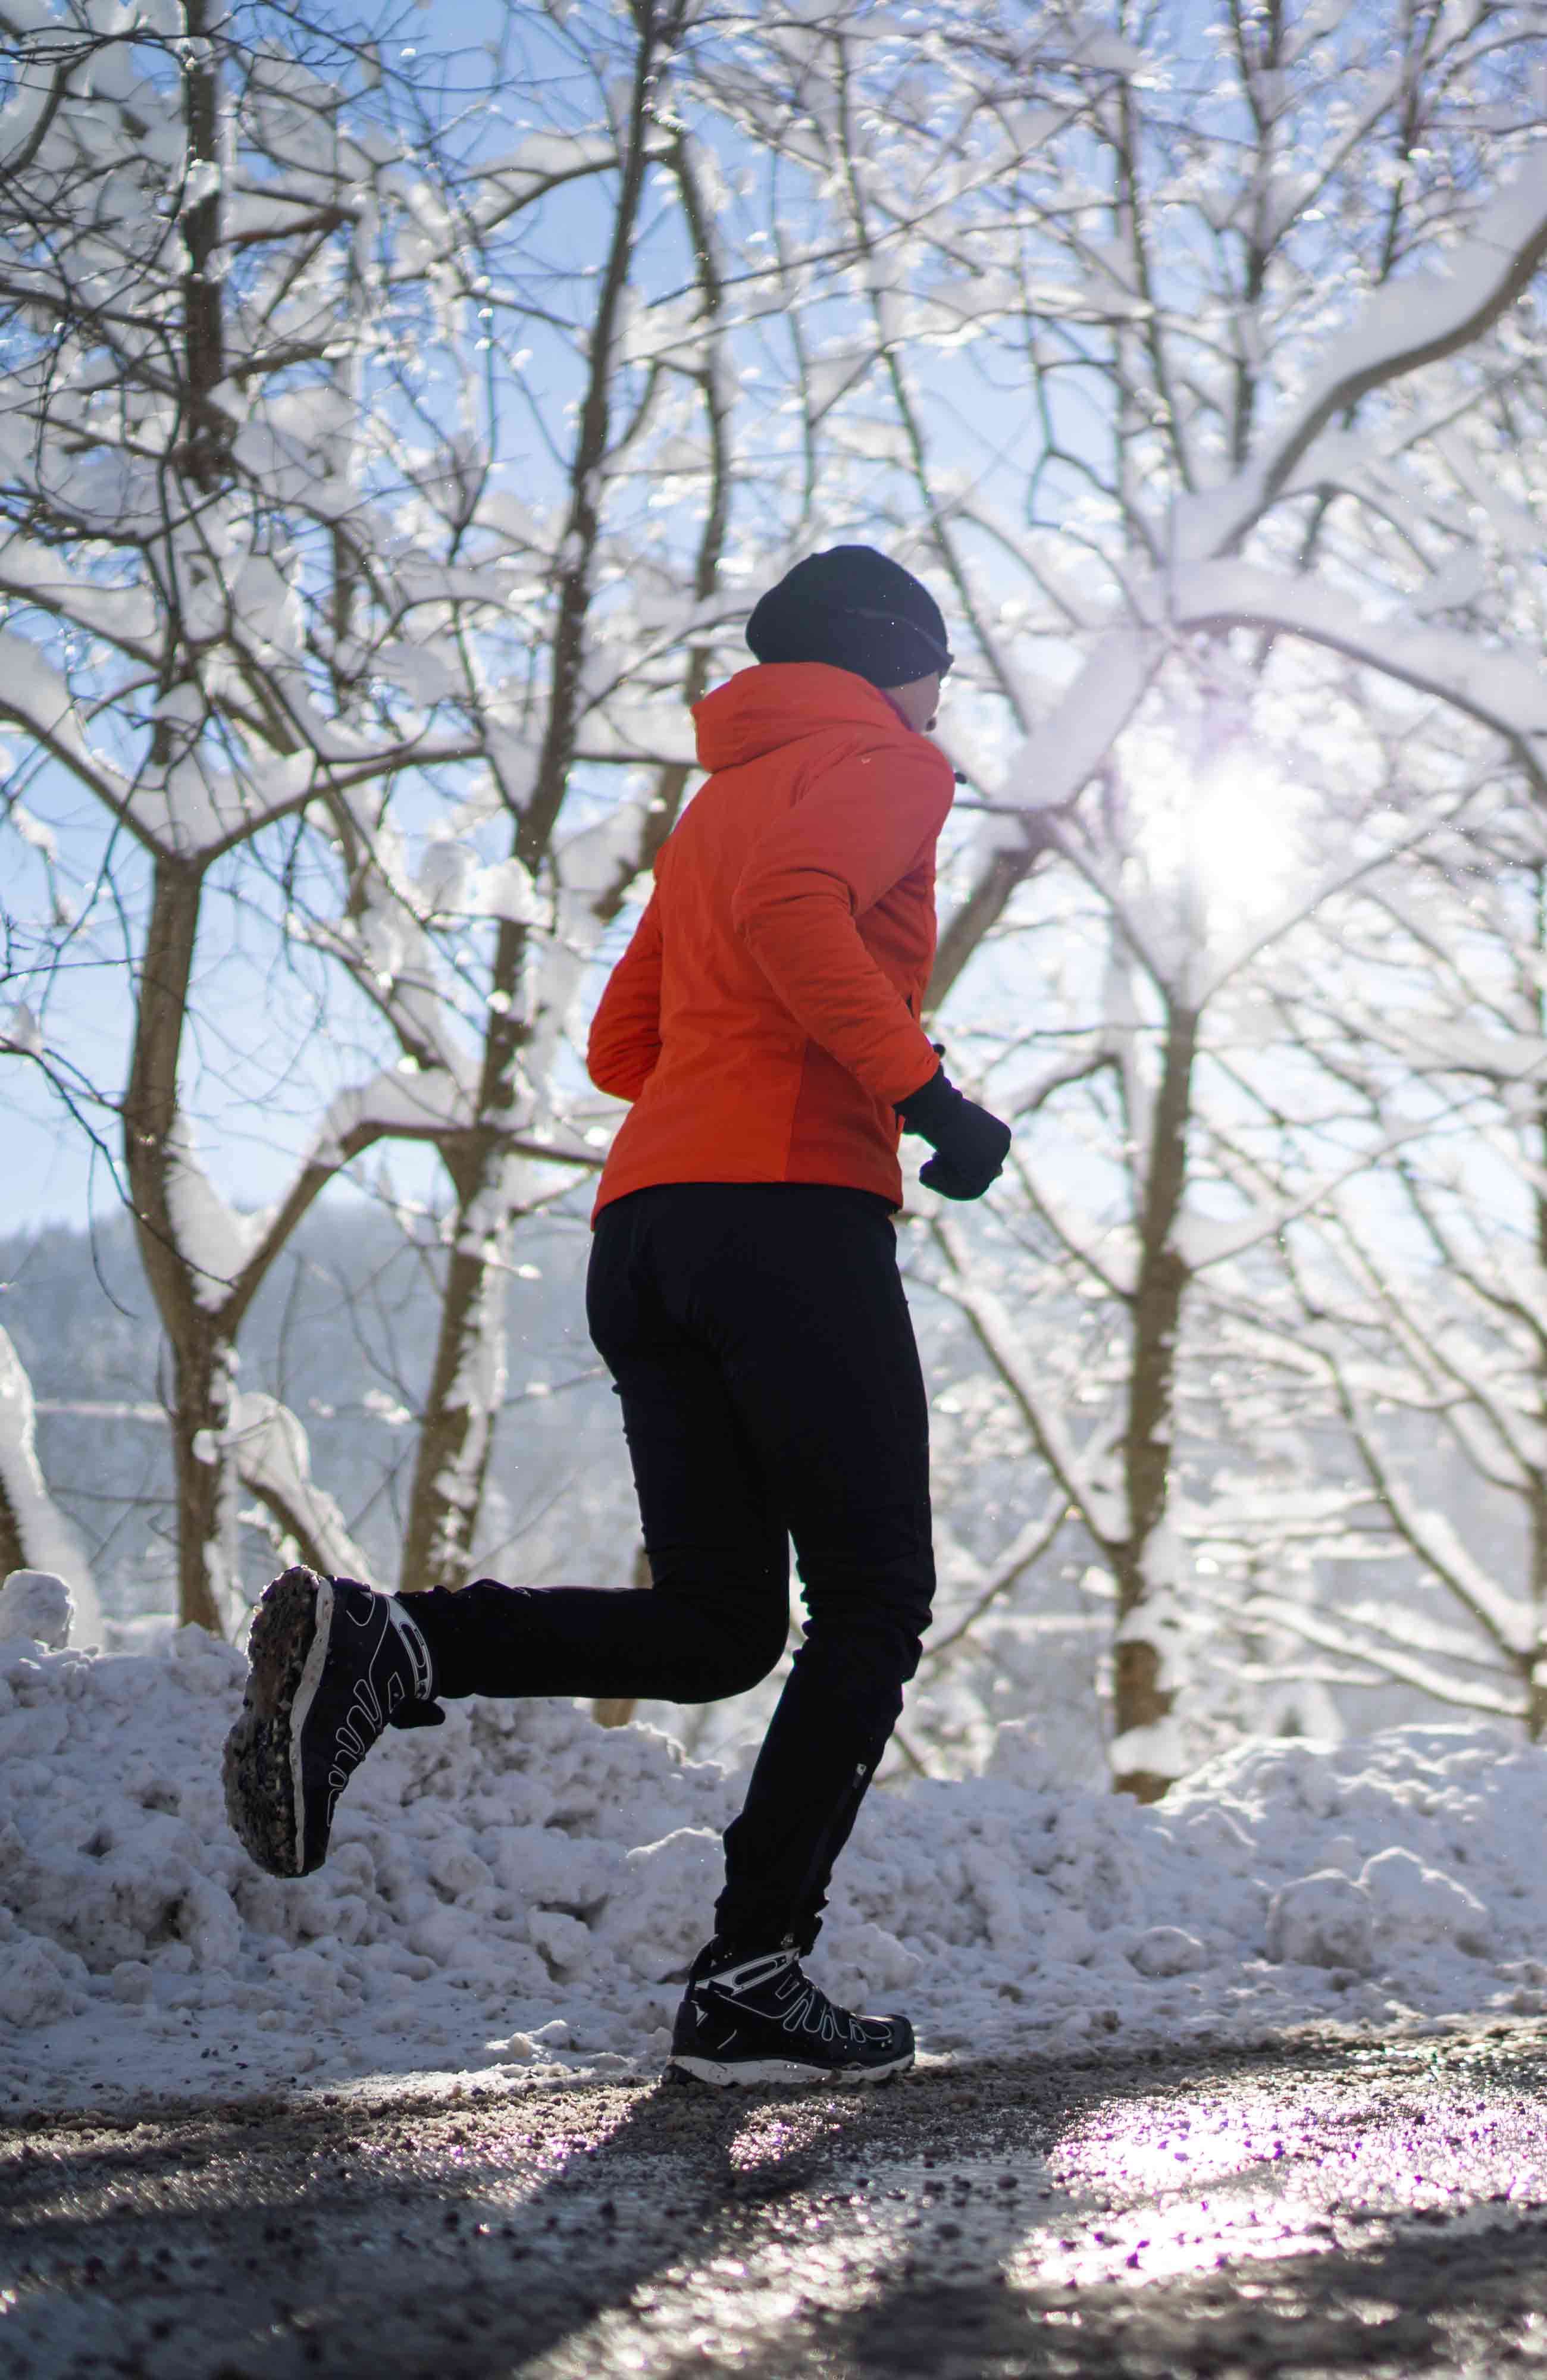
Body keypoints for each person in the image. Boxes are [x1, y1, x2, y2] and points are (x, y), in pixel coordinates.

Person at [223, 544, 1012, 2087]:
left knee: (723, 1630)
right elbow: (797, 922)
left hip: (649, 1227)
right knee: (875, 1599)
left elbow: (619, 1041)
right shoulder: (887, 765)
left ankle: (397, 1645)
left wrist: (753, 1092)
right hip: (789, 1218)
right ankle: (752, 1973)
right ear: (886, 656)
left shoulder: (721, 799)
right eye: (938, 664)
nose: (943, 697)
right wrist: (927, 1094)